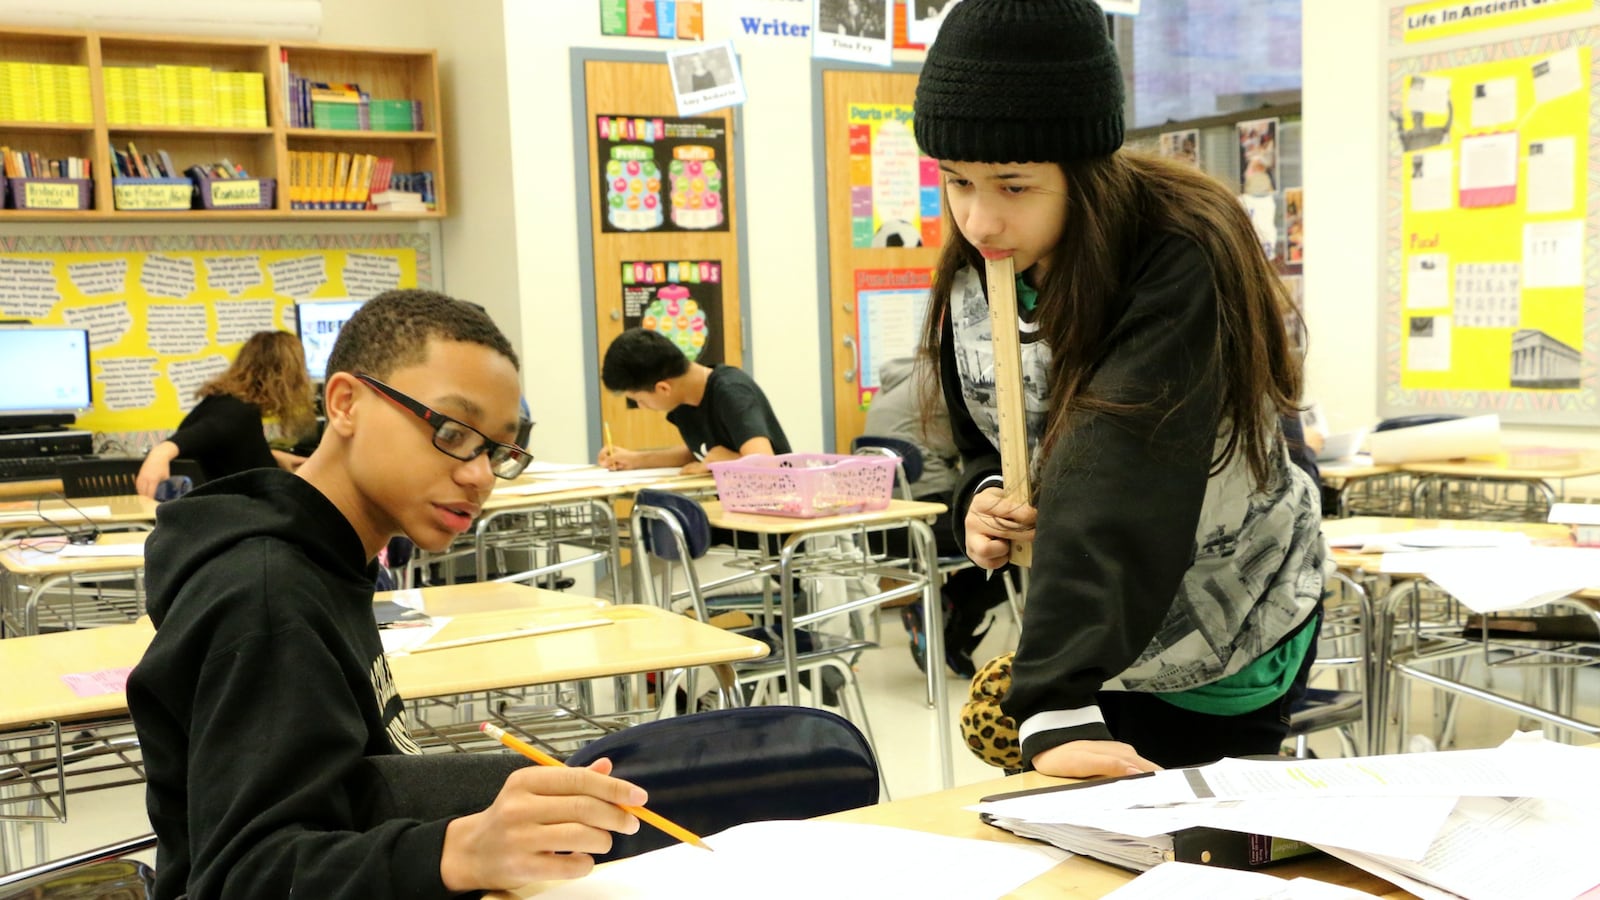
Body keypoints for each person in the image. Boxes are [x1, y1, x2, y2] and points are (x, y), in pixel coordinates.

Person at [913, 0, 1327, 779]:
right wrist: (989, 498)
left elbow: (1119, 457)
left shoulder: (1179, 245)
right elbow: (982, 437)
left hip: (1223, 623)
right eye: (957, 181)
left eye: (1013, 185)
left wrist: (1054, 700)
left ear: (1086, 170)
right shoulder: (984, 259)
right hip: (1085, 629)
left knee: (1192, 857)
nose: (978, 220)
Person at [127, 290, 648, 899]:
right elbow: (244, 876)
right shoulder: (268, 597)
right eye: (452, 432)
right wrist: (459, 851)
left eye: (497, 449)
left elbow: (349, 788)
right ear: (346, 403)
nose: (478, 474)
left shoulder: (329, 559)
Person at [862, 355, 1010, 678]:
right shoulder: (948, 380)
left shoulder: (897, 381)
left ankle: (947, 620)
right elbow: (990, 439)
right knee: (1014, 540)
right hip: (921, 521)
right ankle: (947, 609)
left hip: (877, 526)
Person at [134, 330, 315, 498]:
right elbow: (193, 437)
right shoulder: (237, 413)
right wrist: (160, 453)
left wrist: (274, 456)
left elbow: (225, 454)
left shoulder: (224, 402)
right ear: (285, 376)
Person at [598, 327, 790, 475]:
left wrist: (724, 461)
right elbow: (699, 452)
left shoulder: (732, 392)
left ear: (663, 388)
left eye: (639, 400)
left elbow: (766, 464)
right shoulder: (683, 399)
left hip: (771, 513)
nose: (641, 406)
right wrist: (636, 459)